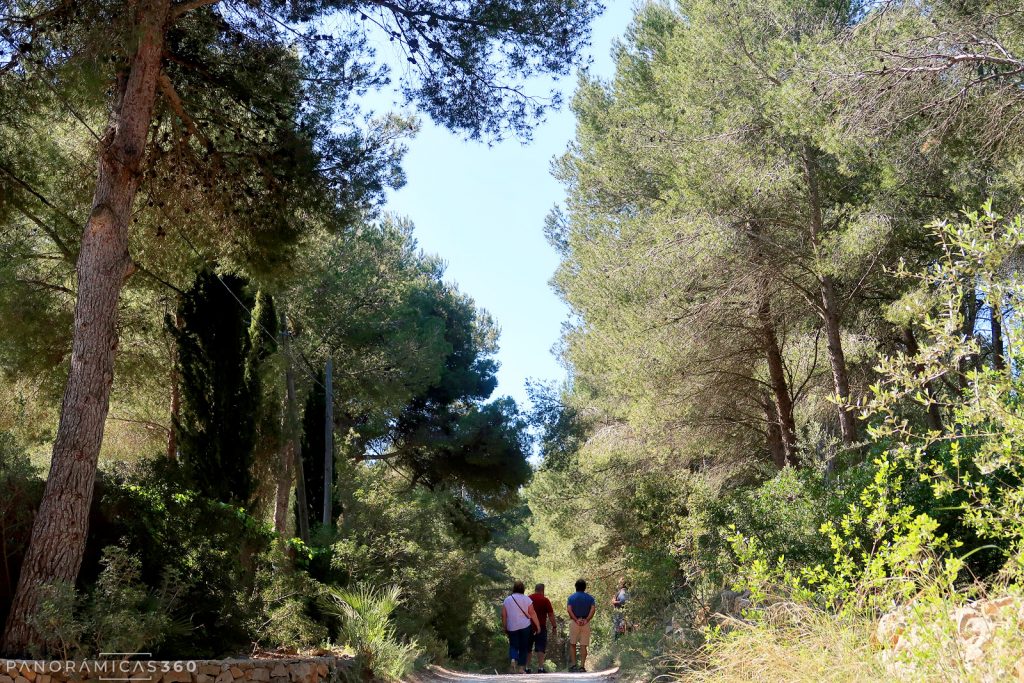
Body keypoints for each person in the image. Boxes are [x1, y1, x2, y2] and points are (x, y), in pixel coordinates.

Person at [502, 580, 541, 674]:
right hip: (525, 626)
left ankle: (513, 659)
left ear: (514, 588)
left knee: (513, 645)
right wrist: (538, 626)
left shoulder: (507, 600)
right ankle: (521, 668)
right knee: (524, 647)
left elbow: (503, 615)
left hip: (512, 626)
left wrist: (505, 626)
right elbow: (532, 613)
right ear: (523, 589)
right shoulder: (527, 599)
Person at [566, 578, 596, 672]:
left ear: (576, 587)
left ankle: (574, 665)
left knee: (573, 644)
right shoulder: (590, 598)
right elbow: (592, 610)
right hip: (585, 623)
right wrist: (587, 620)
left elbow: (569, 609)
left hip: (575, 622)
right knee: (583, 645)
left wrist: (576, 619)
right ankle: (582, 666)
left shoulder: (571, 598)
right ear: (584, 587)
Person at [526, 583, 557, 673]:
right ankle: (540, 668)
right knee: (540, 648)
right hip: (541, 627)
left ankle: (527, 668)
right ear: (543, 590)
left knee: (528, 647)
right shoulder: (545, 600)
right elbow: (550, 615)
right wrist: (554, 626)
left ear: (535, 589)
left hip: (528, 626)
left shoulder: (528, 599)